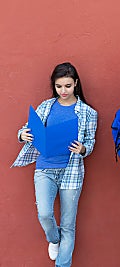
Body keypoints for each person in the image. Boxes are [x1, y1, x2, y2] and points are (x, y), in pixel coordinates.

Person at [12, 62, 98, 267]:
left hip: (71, 171)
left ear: (76, 83)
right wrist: (22, 134)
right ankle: (54, 239)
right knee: (44, 213)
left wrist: (83, 149)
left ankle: (62, 264)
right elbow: (27, 129)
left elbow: (90, 142)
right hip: (45, 169)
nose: (63, 91)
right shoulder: (46, 106)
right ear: (54, 85)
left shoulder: (88, 112)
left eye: (68, 86)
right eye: (59, 86)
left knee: (68, 224)